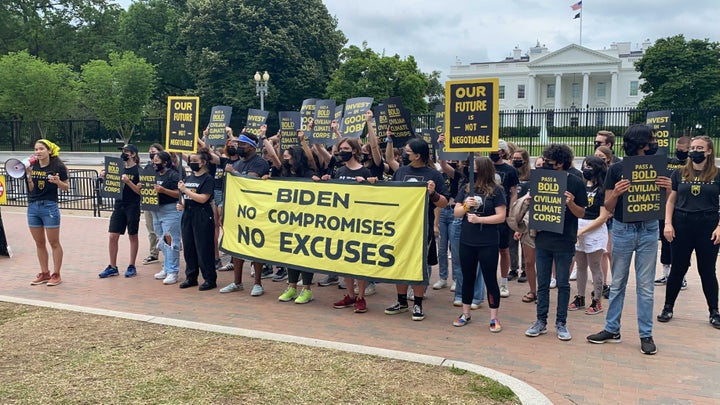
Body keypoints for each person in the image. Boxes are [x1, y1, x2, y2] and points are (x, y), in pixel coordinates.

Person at [587, 124, 671, 355]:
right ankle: (612, 328)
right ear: (641, 143)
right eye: (651, 140)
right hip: (623, 228)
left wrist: (668, 189)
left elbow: (663, 202)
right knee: (618, 282)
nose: (655, 143)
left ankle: (646, 334)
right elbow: (608, 206)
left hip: (648, 228)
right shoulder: (617, 169)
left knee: (645, 286)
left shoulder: (658, 167)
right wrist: (616, 192)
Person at [525, 144, 587, 341]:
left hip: (565, 239)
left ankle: (561, 323)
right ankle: (540, 321)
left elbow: (582, 213)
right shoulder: (541, 179)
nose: (545, 166)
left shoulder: (576, 182)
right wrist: (530, 201)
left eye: (549, 163)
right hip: (543, 237)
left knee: (562, 282)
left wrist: (570, 203)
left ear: (560, 164)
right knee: (542, 283)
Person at [658, 136, 720, 329]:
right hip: (682, 224)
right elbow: (671, 200)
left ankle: (714, 311)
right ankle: (668, 307)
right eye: (693, 147)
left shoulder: (717, 174)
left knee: (707, 270)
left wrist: (719, 227)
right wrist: (668, 223)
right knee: (678, 268)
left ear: (709, 151)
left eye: (699, 148)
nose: (695, 151)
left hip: (707, 226)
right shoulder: (680, 173)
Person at [384, 137, 449, 321]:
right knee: (400, 263)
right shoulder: (401, 171)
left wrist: (433, 193)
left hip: (422, 227)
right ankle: (401, 301)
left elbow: (443, 203)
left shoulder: (433, 175)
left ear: (418, 155)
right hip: (400, 226)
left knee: (419, 266)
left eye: (408, 151)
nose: (405, 154)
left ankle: (418, 304)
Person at [452, 156, 506, 332]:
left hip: (488, 241)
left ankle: (494, 317)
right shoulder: (466, 188)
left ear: (483, 169)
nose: (471, 170)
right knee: (467, 277)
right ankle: (465, 313)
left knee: (490, 278)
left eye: (474, 168)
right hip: (467, 240)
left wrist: (480, 219)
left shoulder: (497, 191)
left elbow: (501, 216)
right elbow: (456, 213)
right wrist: (466, 207)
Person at [219, 132, 270, 296]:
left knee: (256, 247)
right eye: (238, 144)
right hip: (238, 211)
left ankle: (258, 283)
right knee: (236, 246)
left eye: (243, 144)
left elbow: (250, 182)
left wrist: (233, 173)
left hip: (255, 211)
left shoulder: (260, 162)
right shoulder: (239, 163)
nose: (239, 147)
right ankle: (237, 282)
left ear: (252, 146)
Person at [328, 137, 377, 312]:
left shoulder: (365, 172)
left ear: (355, 151)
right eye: (341, 148)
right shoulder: (339, 170)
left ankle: (361, 296)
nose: (342, 151)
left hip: (359, 222)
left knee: (358, 261)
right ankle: (349, 294)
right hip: (341, 222)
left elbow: (373, 197)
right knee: (345, 261)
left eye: (346, 148)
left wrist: (369, 184)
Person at [273, 144, 317, 304]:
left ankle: (307, 289)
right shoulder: (283, 172)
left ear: (296, 157)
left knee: (304, 254)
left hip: (306, 222)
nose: (285, 158)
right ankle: (292, 287)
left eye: (288, 156)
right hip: (289, 221)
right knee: (290, 252)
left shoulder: (308, 174)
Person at [569, 156, 609, 315]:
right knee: (580, 265)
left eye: (589, 167)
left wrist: (582, 231)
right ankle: (580, 296)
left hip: (594, 229)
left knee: (595, 266)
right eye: (584, 166)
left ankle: (597, 299)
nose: (585, 169)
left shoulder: (603, 189)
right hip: (579, 226)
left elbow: (603, 216)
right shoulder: (581, 186)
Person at [27, 139, 69, 286]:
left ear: (49, 151)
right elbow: (31, 189)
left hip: (49, 206)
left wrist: (58, 182)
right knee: (39, 242)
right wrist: (28, 176)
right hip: (33, 206)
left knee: (54, 242)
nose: (38, 152)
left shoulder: (58, 166)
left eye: (41, 149)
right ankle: (44, 272)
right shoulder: (32, 165)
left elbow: (66, 188)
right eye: (36, 149)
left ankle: (56, 274)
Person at [98, 144, 142, 279]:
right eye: (122, 151)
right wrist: (105, 176)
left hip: (132, 205)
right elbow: (111, 185)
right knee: (113, 235)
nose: (123, 154)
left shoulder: (139, 171)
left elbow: (139, 192)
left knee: (132, 235)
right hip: (119, 204)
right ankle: (112, 266)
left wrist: (128, 182)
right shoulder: (117, 168)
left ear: (133, 154)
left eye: (126, 152)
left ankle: (131, 265)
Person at [177, 149, 217, 291]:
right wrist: (181, 202)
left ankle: (209, 278)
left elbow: (203, 198)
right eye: (191, 161)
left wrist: (185, 191)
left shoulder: (207, 179)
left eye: (195, 161)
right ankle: (191, 276)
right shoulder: (188, 178)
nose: (192, 164)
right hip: (188, 214)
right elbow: (185, 197)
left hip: (202, 214)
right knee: (189, 246)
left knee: (203, 247)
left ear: (203, 162)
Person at [655, 136, 690, 287]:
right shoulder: (669, 161)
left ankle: (681, 276)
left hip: (682, 208)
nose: (679, 152)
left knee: (681, 244)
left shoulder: (691, 165)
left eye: (683, 150)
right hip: (666, 207)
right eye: (677, 149)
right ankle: (666, 273)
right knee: (665, 241)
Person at [150, 151, 182, 285]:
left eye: (156, 162)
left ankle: (173, 271)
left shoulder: (173, 175)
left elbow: (179, 194)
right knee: (161, 240)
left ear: (164, 163)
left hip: (170, 210)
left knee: (171, 241)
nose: (154, 164)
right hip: (156, 210)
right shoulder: (155, 174)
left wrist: (163, 190)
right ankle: (166, 266)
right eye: (153, 161)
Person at [491, 139, 519, 297]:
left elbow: (514, 192)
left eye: (496, 150)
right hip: (488, 212)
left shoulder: (510, 170)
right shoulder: (486, 166)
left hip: (503, 212)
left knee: (504, 249)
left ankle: (503, 283)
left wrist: (511, 211)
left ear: (502, 152)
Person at [511, 148, 531, 282]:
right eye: (514, 158)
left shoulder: (530, 175)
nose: (515, 161)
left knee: (524, 241)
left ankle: (524, 269)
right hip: (514, 211)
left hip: (525, 211)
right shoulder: (512, 173)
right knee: (511, 242)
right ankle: (513, 268)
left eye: (519, 159)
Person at [142, 143, 164, 265]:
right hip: (149, 200)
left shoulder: (165, 168)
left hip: (162, 202)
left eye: (154, 152)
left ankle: (168, 253)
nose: (152, 154)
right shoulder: (147, 167)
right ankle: (153, 253)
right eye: (150, 152)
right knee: (151, 229)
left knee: (163, 230)